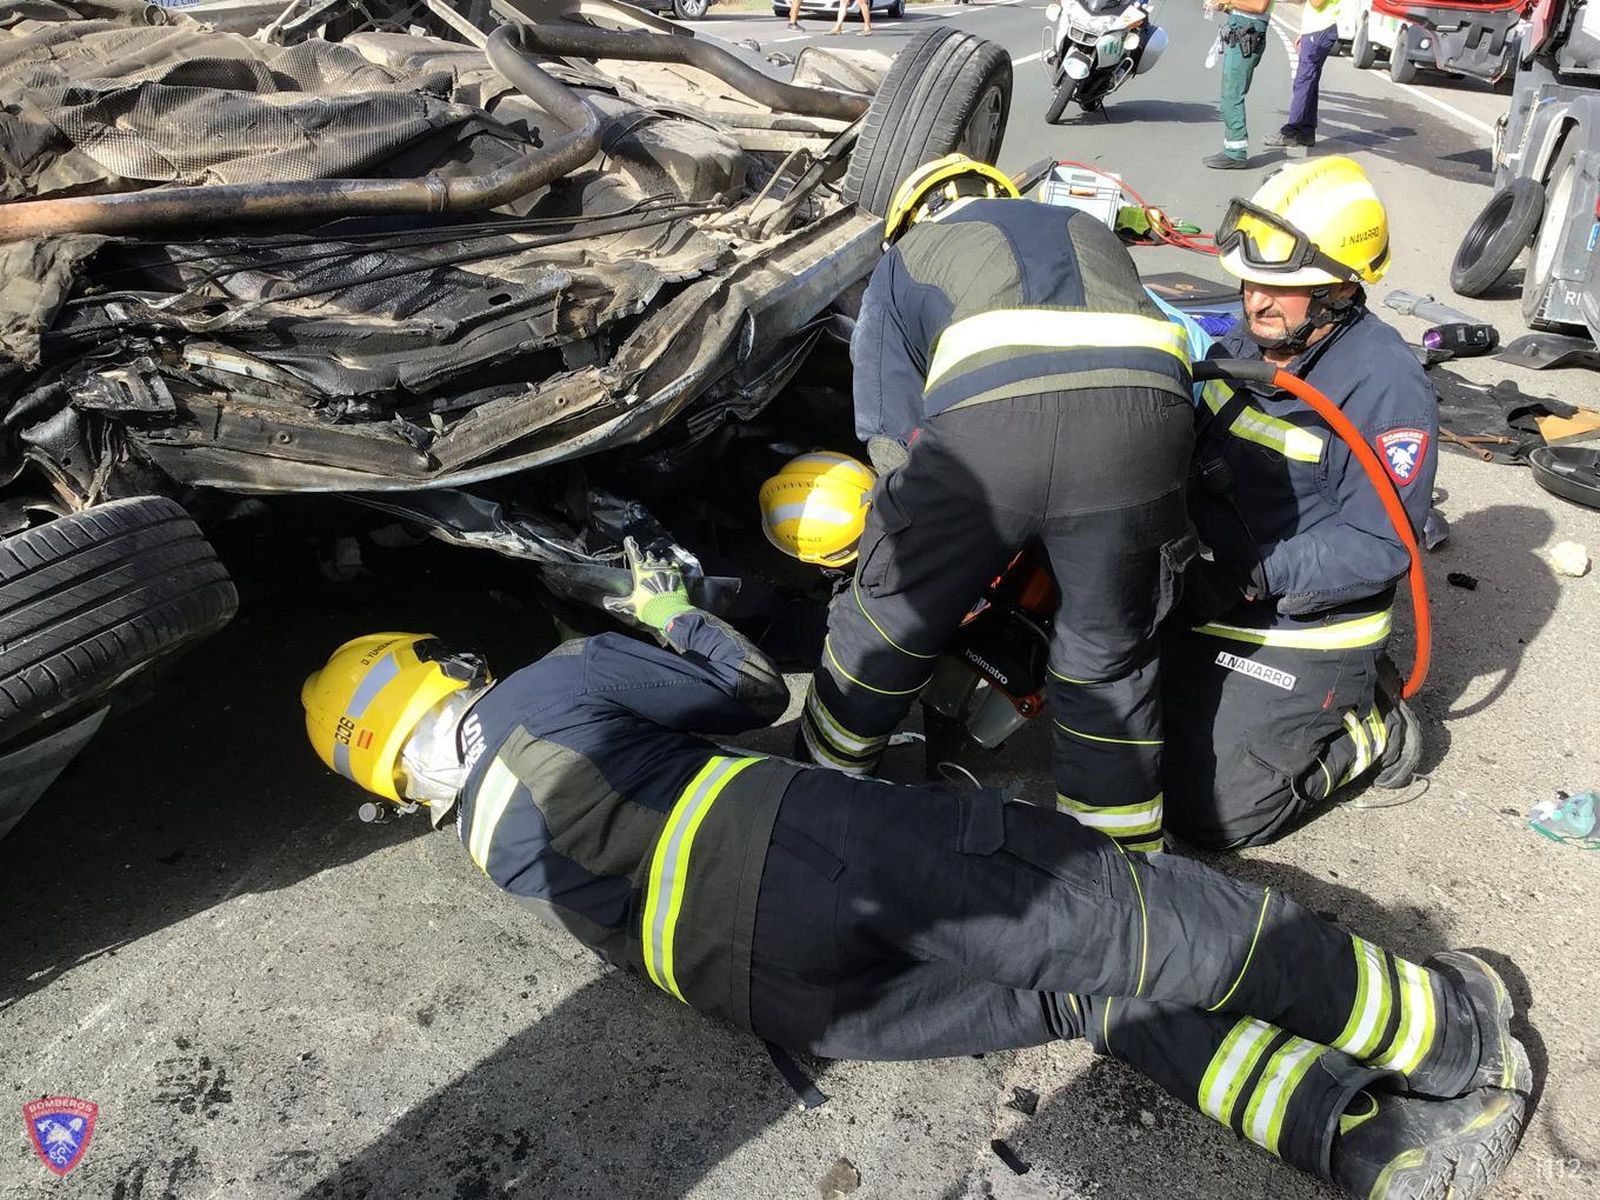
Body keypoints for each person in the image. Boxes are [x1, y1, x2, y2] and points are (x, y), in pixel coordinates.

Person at [302, 539, 1531, 1200]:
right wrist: (660, 607)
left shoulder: (488, 849)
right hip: (816, 859)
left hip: (775, 997)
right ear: (443, 672)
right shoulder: (537, 690)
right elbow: (739, 689)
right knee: (1134, 921)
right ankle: (1448, 1037)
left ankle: (1365, 1148)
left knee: (1081, 997)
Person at [794, 154, 1196, 853]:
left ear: (908, 222)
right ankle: (1126, 876)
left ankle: (819, 788)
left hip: (993, 433)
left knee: (890, 616)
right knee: (1108, 656)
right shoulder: (1082, 224)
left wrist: (917, 547)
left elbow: (892, 435)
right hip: (1149, 427)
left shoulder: (907, 258)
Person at [1161, 156, 1438, 850]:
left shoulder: (1383, 386)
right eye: (1252, 281)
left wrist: (1252, 573)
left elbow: (1380, 545)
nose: (1256, 301)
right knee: (1112, 716)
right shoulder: (1253, 338)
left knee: (1210, 815)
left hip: (1300, 618)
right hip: (1209, 582)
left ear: (1340, 291)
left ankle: (1369, 720)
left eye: (1283, 289)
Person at [1204, 0, 1274, 169]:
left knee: (1232, 94)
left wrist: (1227, 1)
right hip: (1243, 30)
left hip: (1247, 33)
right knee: (1230, 92)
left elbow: (1259, 6)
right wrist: (1226, 7)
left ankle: (1235, 154)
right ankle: (1231, 148)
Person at [1269, 0, 1343, 148]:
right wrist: (1304, 32)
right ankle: (1306, 132)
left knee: (1304, 81)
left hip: (1321, 29)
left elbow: (1316, 3)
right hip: (1317, 29)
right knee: (1310, 81)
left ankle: (1290, 131)